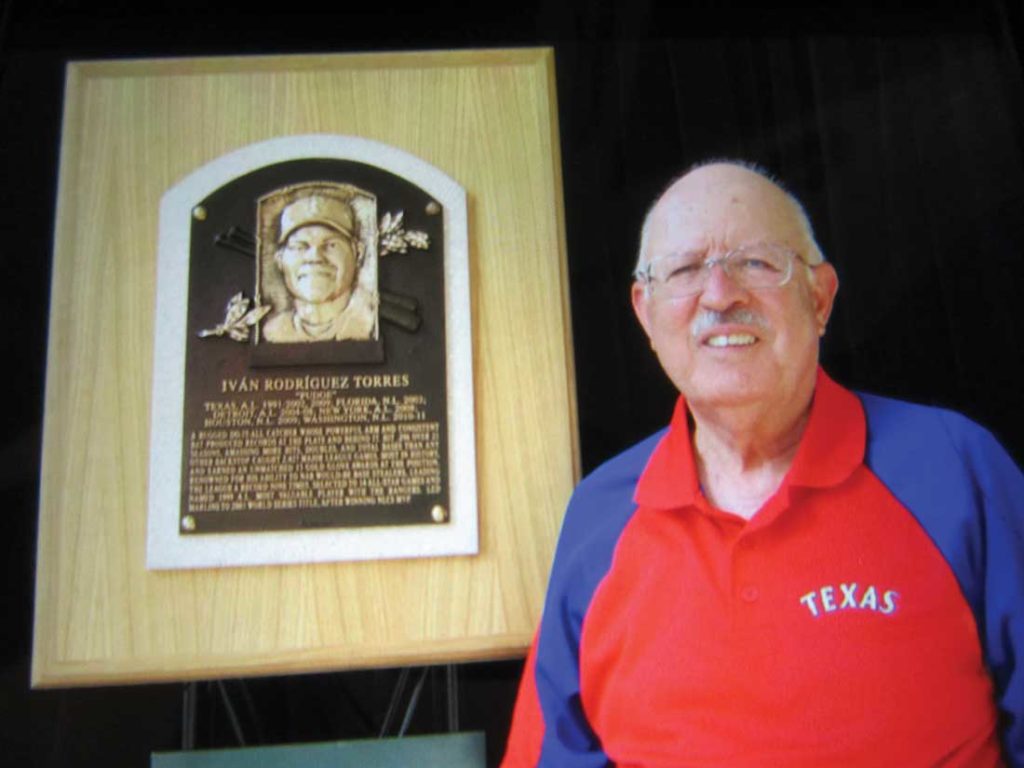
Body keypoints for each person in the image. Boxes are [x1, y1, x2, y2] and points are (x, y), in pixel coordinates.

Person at [502, 161, 1023, 766]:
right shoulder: (600, 515)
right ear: (645, 313)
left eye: (756, 262)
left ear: (820, 297)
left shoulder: (956, 468)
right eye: (685, 269)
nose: (720, 295)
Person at [262, 191, 378, 343]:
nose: (315, 257)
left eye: (331, 245)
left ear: (358, 253)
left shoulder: (369, 323)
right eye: (300, 246)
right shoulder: (272, 332)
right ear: (279, 260)